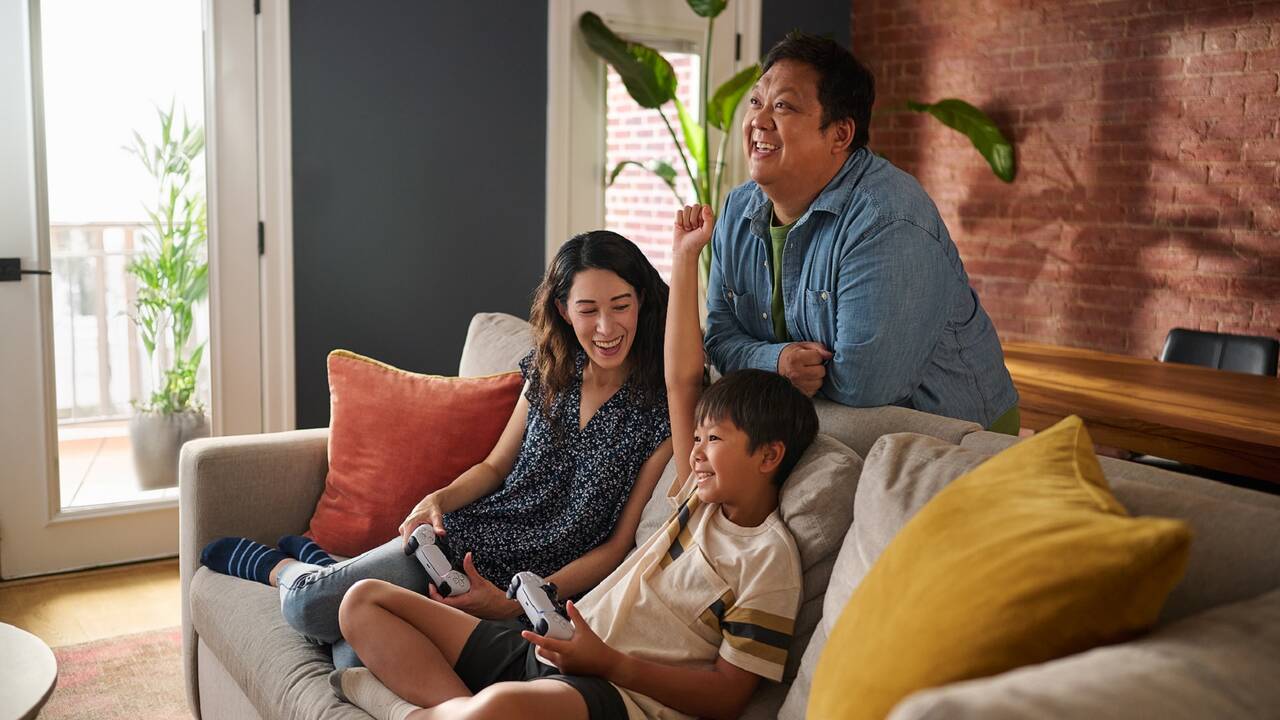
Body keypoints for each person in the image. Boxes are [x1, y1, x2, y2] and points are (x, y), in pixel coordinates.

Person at [327, 205, 816, 720]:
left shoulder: (769, 561)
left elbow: (728, 698)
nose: (691, 451)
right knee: (360, 602)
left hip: (605, 683)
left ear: (769, 456)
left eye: (711, 439)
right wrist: (685, 254)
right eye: (693, 436)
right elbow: (683, 378)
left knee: (489, 707)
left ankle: (404, 707)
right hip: (551, 644)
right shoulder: (693, 496)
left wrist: (606, 662)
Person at [200, 231, 674, 668]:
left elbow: (617, 546)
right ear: (564, 311)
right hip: (458, 546)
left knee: (352, 658)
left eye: (621, 305)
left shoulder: (660, 409)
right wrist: (437, 500)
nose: (606, 326)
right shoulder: (550, 371)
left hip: (531, 592)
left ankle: (327, 566)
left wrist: (514, 602)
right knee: (309, 606)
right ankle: (284, 567)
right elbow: (494, 467)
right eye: (588, 309)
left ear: (641, 302)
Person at [706, 31, 1020, 434]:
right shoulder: (736, 210)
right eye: (755, 101)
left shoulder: (887, 219)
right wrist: (778, 362)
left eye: (783, 106)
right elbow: (719, 338)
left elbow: (864, 385)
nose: (759, 121)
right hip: (836, 432)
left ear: (840, 134)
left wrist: (755, 362)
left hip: (958, 439)